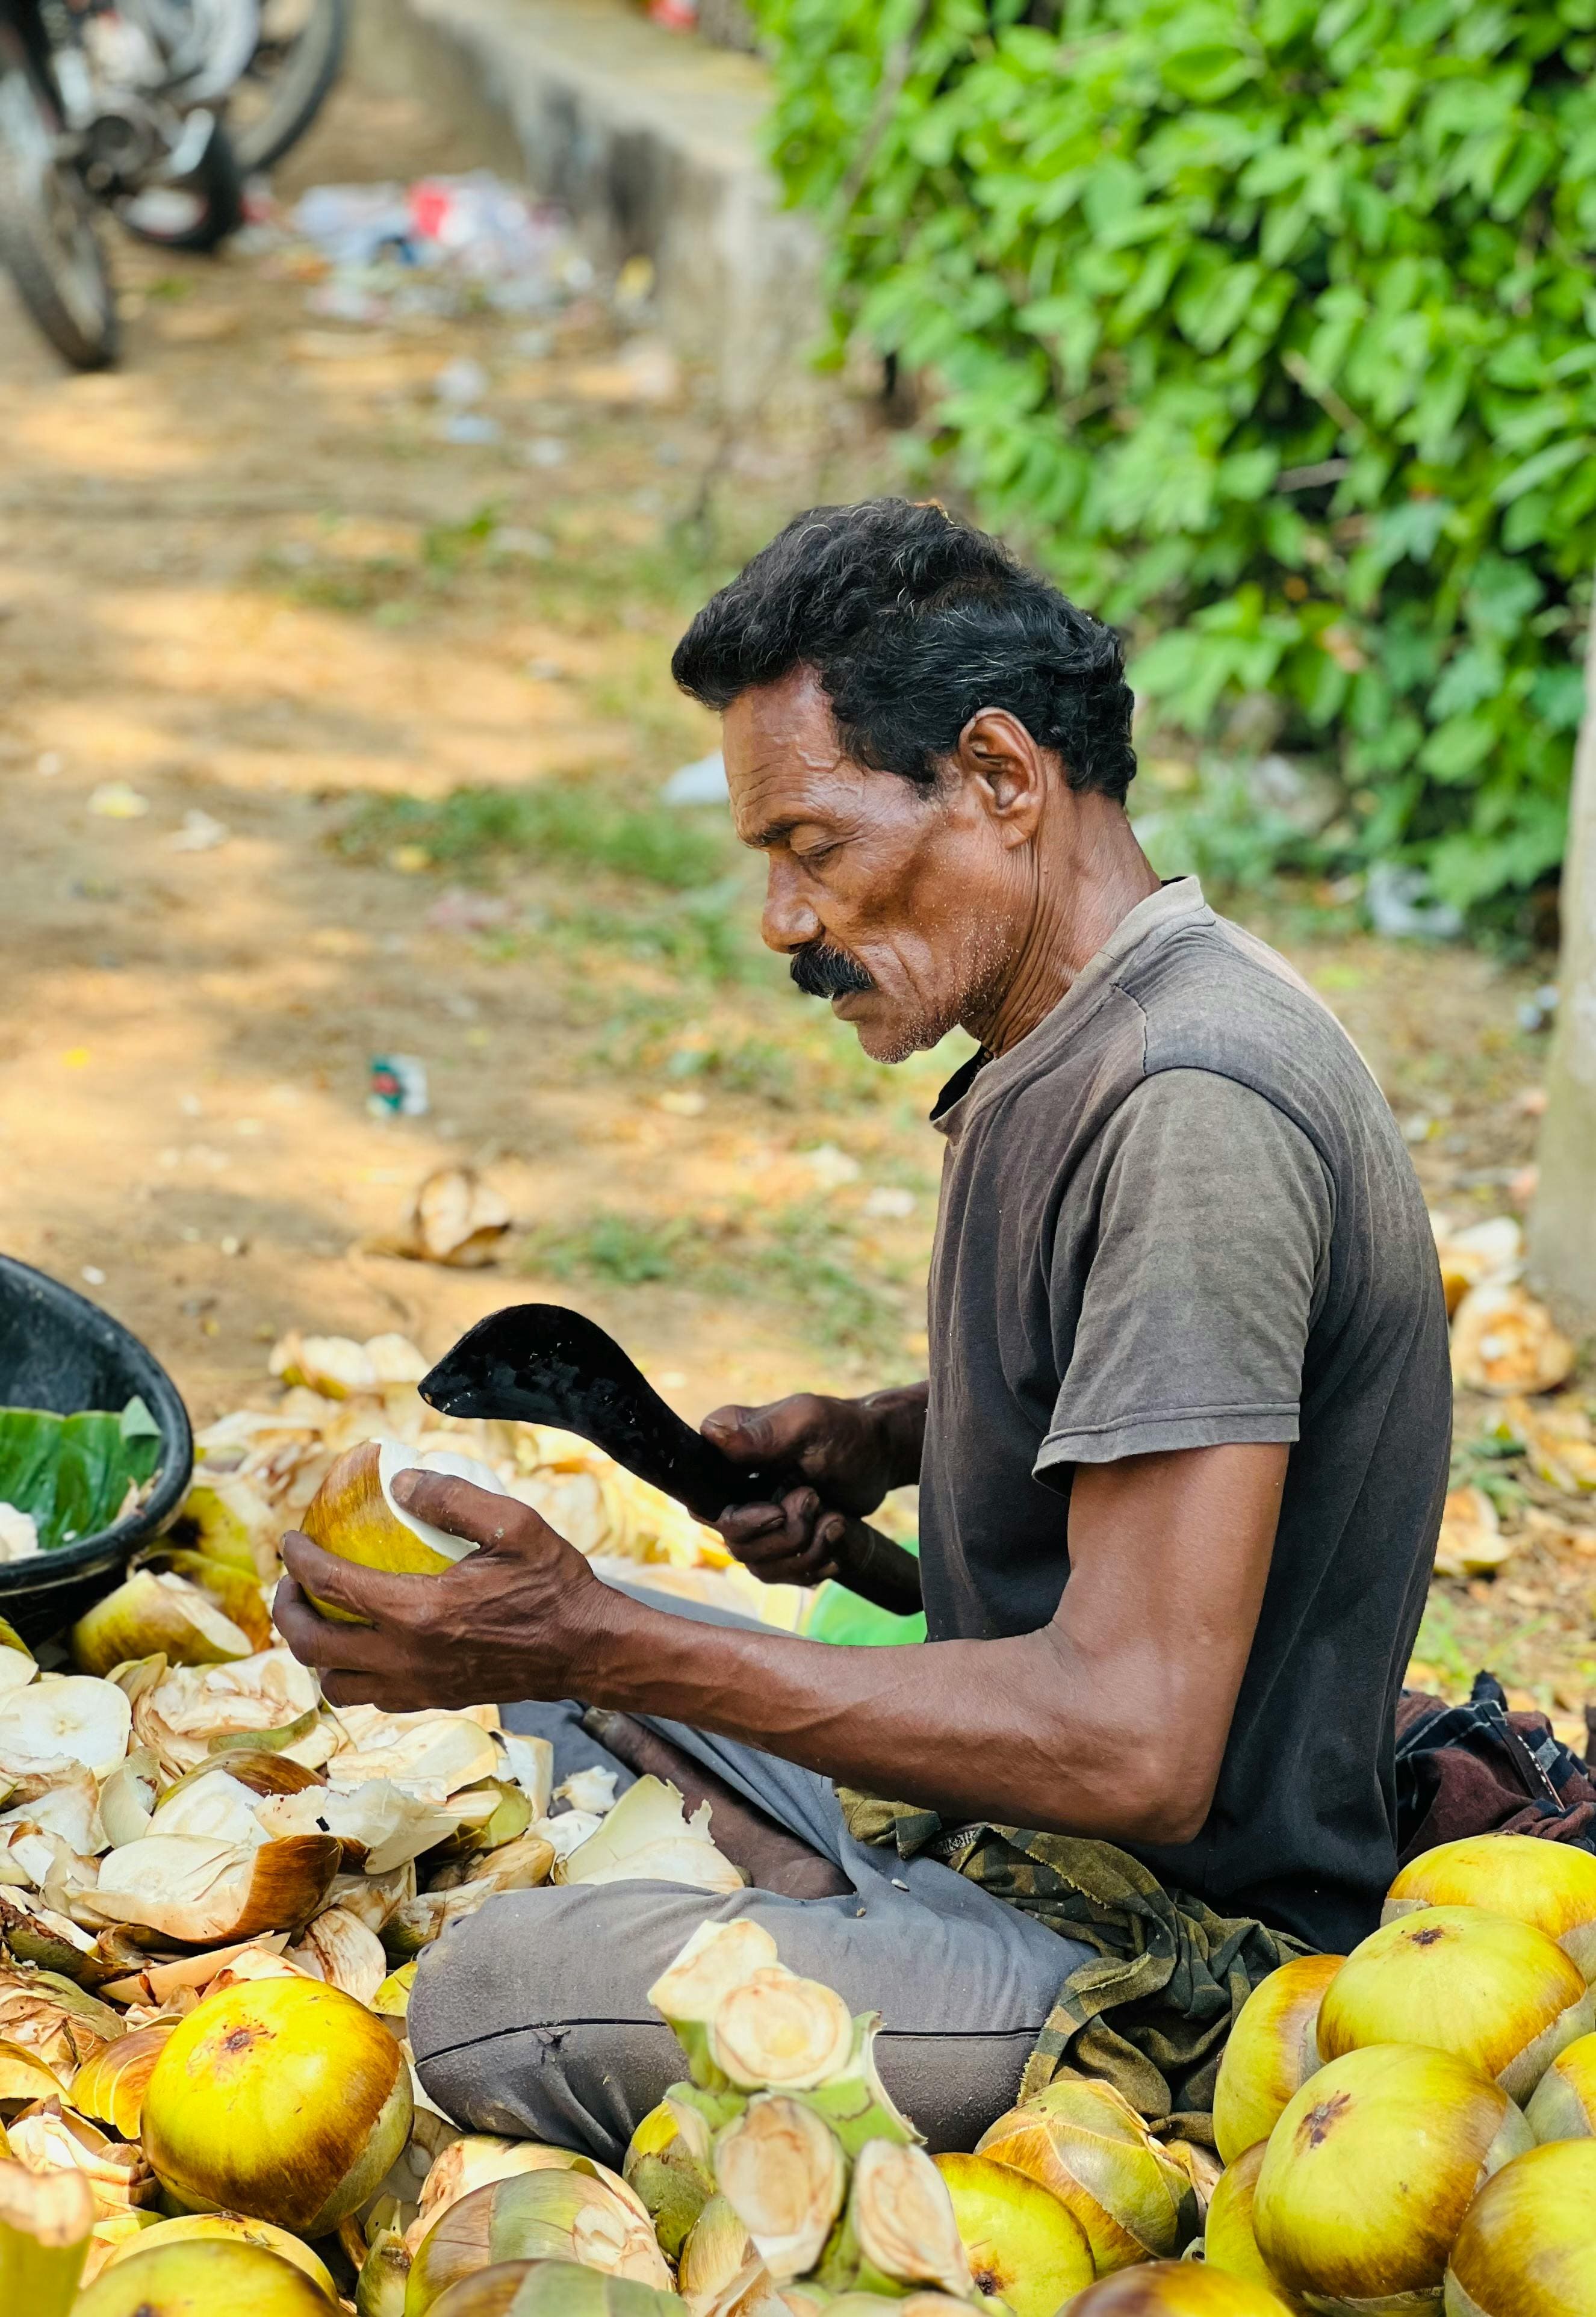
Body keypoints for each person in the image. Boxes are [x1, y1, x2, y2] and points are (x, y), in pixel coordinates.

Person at [275, 499, 1450, 2162]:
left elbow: (1136, 1750)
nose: (777, 920)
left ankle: (833, 1906)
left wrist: (606, 1639)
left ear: (996, 778)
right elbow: (1174, 1375)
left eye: (812, 846)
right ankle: (822, 1887)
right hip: (999, 1824)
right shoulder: (1084, 1026)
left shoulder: (1190, 1099)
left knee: (493, 1994)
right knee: (499, 1692)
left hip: (1163, 1949)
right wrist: (888, 1434)